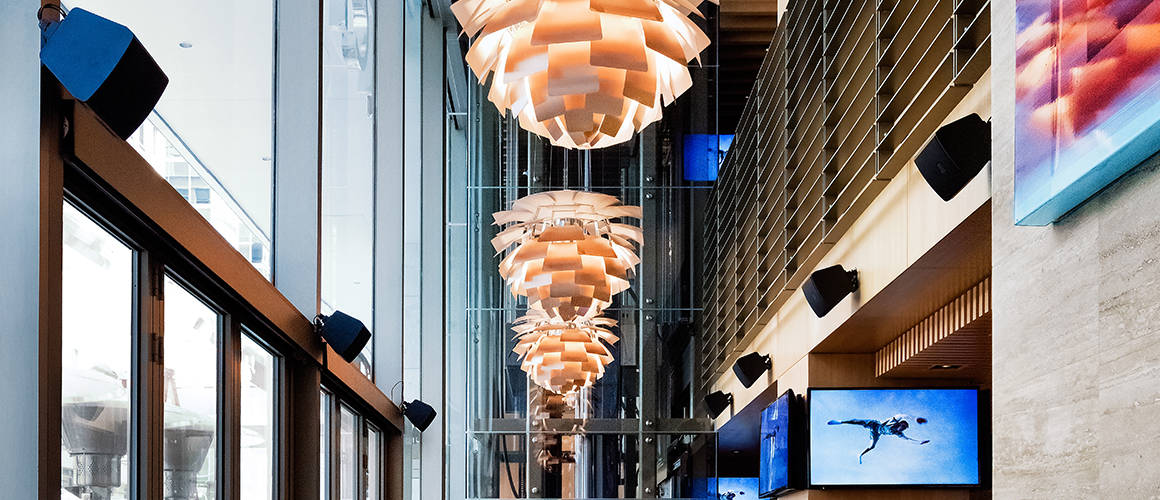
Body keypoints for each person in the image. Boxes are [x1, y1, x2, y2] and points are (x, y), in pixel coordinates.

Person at [826, 414, 930, 463]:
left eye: (904, 429)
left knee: (872, 446)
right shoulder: (894, 420)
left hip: (876, 433)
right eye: (902, 427)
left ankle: (860, 454)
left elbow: (908, 440)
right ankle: (841, 421)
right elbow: (903, 415)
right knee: (857, 421)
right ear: (900, 423)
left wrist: (920, 442)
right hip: (874, 424)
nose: (902, 430)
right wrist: (915, 418)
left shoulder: (898, 433)